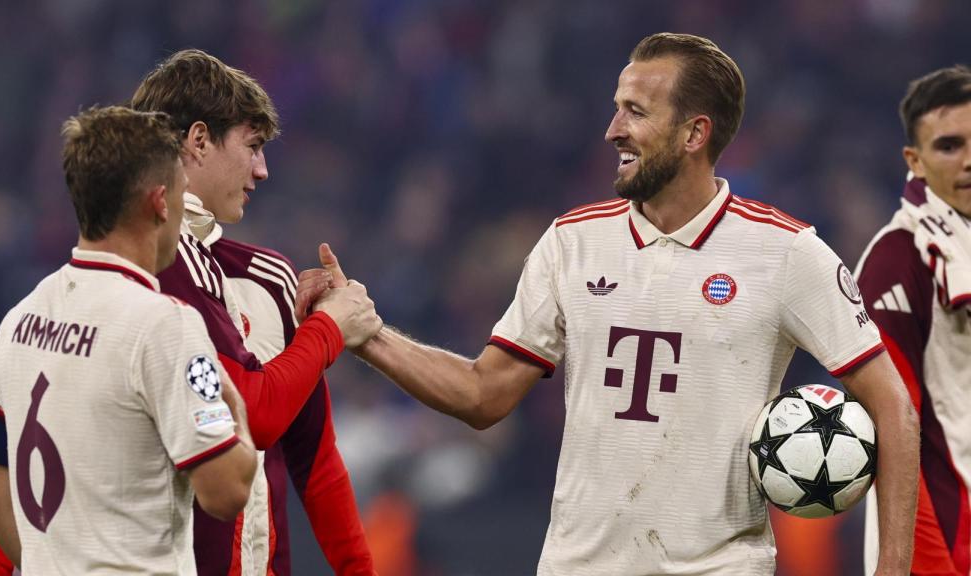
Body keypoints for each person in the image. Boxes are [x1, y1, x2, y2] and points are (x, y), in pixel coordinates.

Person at [298, 33, 920, 575]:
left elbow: (892, 406)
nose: (612, 129)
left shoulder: (786, 252)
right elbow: (484, 396)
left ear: (694, 133)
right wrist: (366, 333)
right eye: (616, 108)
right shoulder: (574, 241)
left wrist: (892, 568)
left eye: (634, 112)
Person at [0, 106, 258, 574]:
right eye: (182, 195)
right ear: (161, 202)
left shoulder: (22, 318)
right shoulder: (164, 326)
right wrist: (234, 406)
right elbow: (225, 492)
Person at [130, 50, 380, 575]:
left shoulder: (266, 278)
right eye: (253, 146)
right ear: (199, 141)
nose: (263, 170)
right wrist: (330, 328)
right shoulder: (150, 268)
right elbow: (255, 415)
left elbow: (316, 460)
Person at [858, 65, 971, 576]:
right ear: (915, 160)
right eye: (949, 146)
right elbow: (895, 436)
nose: (970, 161)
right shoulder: (897, 261)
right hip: (950, 546)